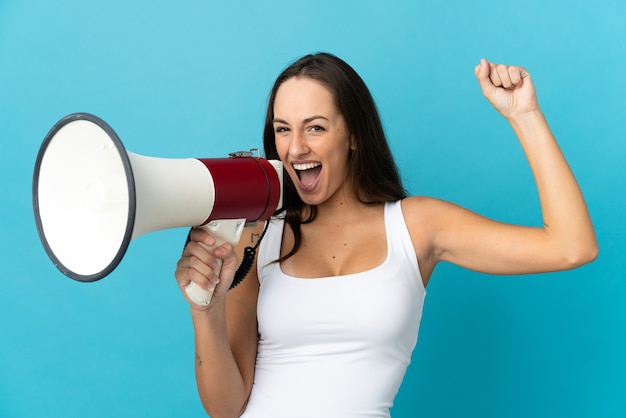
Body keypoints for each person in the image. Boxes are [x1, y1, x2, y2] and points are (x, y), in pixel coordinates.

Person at [174, 52, 598, 418]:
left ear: (354, 135)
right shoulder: (258, 234)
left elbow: (571, 247)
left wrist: (524, 116)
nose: (295, 148)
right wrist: (205, 311)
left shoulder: (417, 226)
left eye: (315, 127)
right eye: (283, 128)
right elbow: (225, 408)